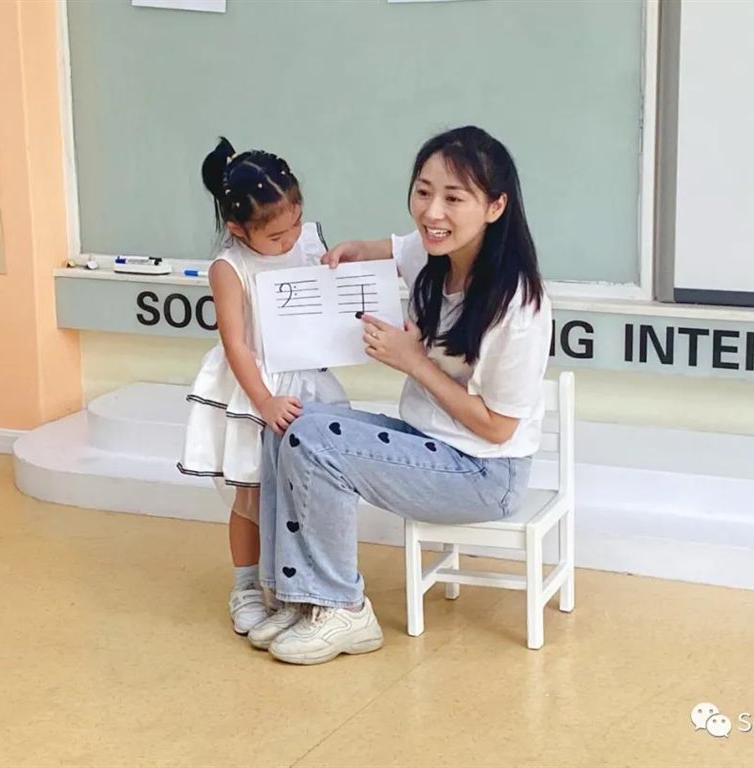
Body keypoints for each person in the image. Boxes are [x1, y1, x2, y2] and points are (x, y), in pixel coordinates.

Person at [250, 126, 554, 664]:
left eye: (454, 198)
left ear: (495, 206)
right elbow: (390, 248)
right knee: (289, 423)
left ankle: (344, 609)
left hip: (485, 473)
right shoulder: (434, 252)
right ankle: (296, 597)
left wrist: (413, 361)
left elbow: (497, 428)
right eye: (423, 191)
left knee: (315, 442)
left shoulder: (519, 306)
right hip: (430, 442)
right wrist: (353, 252)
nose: (432, 212)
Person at [178, 137, 347, 635]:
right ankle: (247, 586)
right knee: (250, 495)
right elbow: (235, 344)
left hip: (306, 379)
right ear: (237, 228)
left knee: (306, 491)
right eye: (275, 236)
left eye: (296, 223)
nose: (290, 239)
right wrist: (263, 400)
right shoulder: (229, 267)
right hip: (257, 386)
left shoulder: (307, 243)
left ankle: (304, 585)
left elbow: (325, 305)